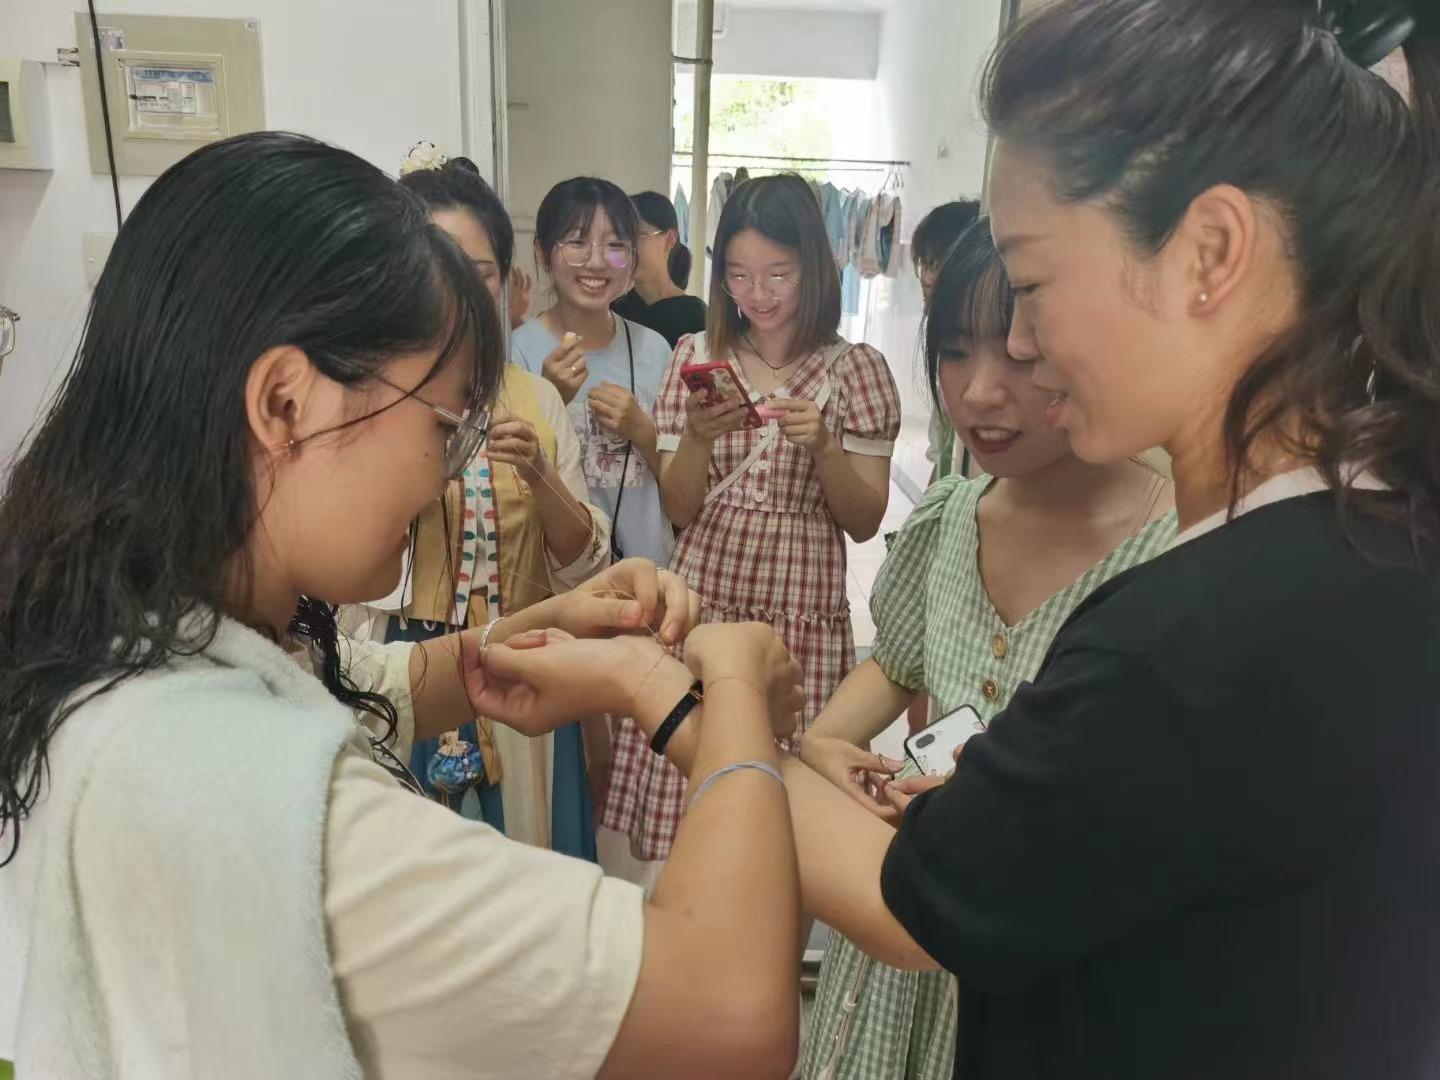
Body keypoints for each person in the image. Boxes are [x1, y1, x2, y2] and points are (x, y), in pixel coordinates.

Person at [0, 131, 810, 1079]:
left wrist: (552, 628)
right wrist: (734, 683)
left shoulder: (115, 633)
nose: (444, 470)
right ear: (285, 403)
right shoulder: (288, 818)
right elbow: (732, 1014)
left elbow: (373, 678)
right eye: (440, 425)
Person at [765, 2, 1440, 1077]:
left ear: (1209, 252)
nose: (1019, 346)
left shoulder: (1188, 643)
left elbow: (916, 904)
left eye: (1032, 286)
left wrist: (708, 720)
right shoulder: (1381, 544)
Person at [797, 222, 1175, 1080]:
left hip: (1041, 955)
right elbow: (899, 660)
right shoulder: (951, 518)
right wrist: (824, 740)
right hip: (907, 922)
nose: (979, 393)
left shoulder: (1175, 549)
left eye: (1021, 354)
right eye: (955, 353)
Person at [600, 174, 900, 879]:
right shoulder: (695, 357)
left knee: (784, 835)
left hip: (798, 621)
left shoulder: (856, 372)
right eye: (738, 275)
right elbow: (680, 510)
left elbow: (863, 522)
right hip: (703, 606)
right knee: (695, 811)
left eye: (778, 274)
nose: (757, 294)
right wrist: (698, 436)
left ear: (814, 268)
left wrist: (824, 447)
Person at [343, 148, 612, 858]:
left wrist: (540, 477)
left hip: (520, 658)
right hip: (402, 667)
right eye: (434, 264)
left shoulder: (536, 399)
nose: (457, 289)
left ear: (507, 282)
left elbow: (584, 567)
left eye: (479, 271)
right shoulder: (367, 397)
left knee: (523, 860)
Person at [512, 178, 676, 568]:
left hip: (647, 572)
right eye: (577, 242)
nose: (597, 261)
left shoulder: (655, 350)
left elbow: (682, 492)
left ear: (632, 258)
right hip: (555, 581)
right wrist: (550, 401)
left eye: (615, 245)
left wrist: (643, 431)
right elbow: (507, 486)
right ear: (542, 252)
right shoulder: (517, 351)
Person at [911, 200, 982, 484]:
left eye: (938, 264)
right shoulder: (944, 340)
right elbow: (943, 454)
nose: (927, 278)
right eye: (924, 264)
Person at [612, 190, 708, 347]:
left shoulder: (695, 317)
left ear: (670, 239)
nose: (628, 247)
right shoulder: (616, 309)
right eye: (622, 237)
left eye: (637, 235)